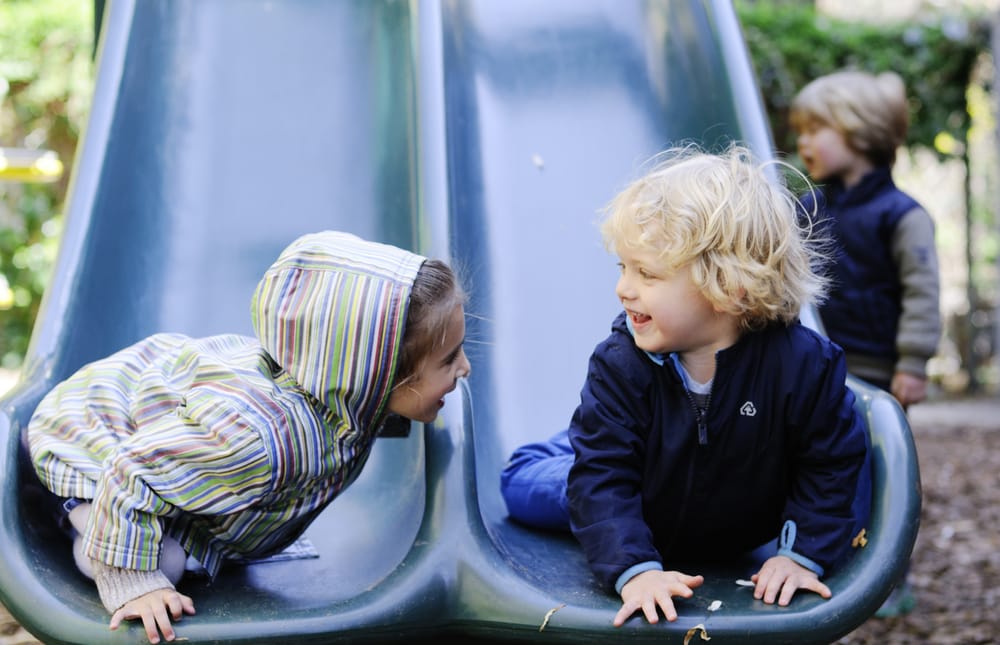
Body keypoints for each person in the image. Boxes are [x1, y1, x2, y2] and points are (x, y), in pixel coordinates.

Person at [23, 231, 471, 644]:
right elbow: (132, 471)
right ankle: (73, 513)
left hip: (160, 442)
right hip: (89, 442)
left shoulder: (339, 397)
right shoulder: (257, 440)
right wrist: (132, 584)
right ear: (376, 376)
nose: (464, 368)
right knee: (167, 563)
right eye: (449, 360)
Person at [500, 143, 872, 628]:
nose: (623, 287)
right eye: (623, 267)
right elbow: (602, 481)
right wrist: (634, 570)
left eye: (647, 273)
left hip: (725, 507)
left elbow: (831, 467)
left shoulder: (804, 367)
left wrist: (801, 554)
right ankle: (561, 449)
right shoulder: (621, 365)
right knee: (526, 486)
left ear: (729, 285)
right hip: (638, 491)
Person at [790, 69, 941, 617]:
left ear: (857, 131)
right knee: (822, 467)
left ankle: (888, 579)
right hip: (818, 364)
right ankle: (823, 559)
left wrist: (914, 362)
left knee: (879, 477)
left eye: (814, 129)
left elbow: (923, 292)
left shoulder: (903, 217)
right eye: (799, 130)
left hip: (876, 366)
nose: (802, 142)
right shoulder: (809, 207)